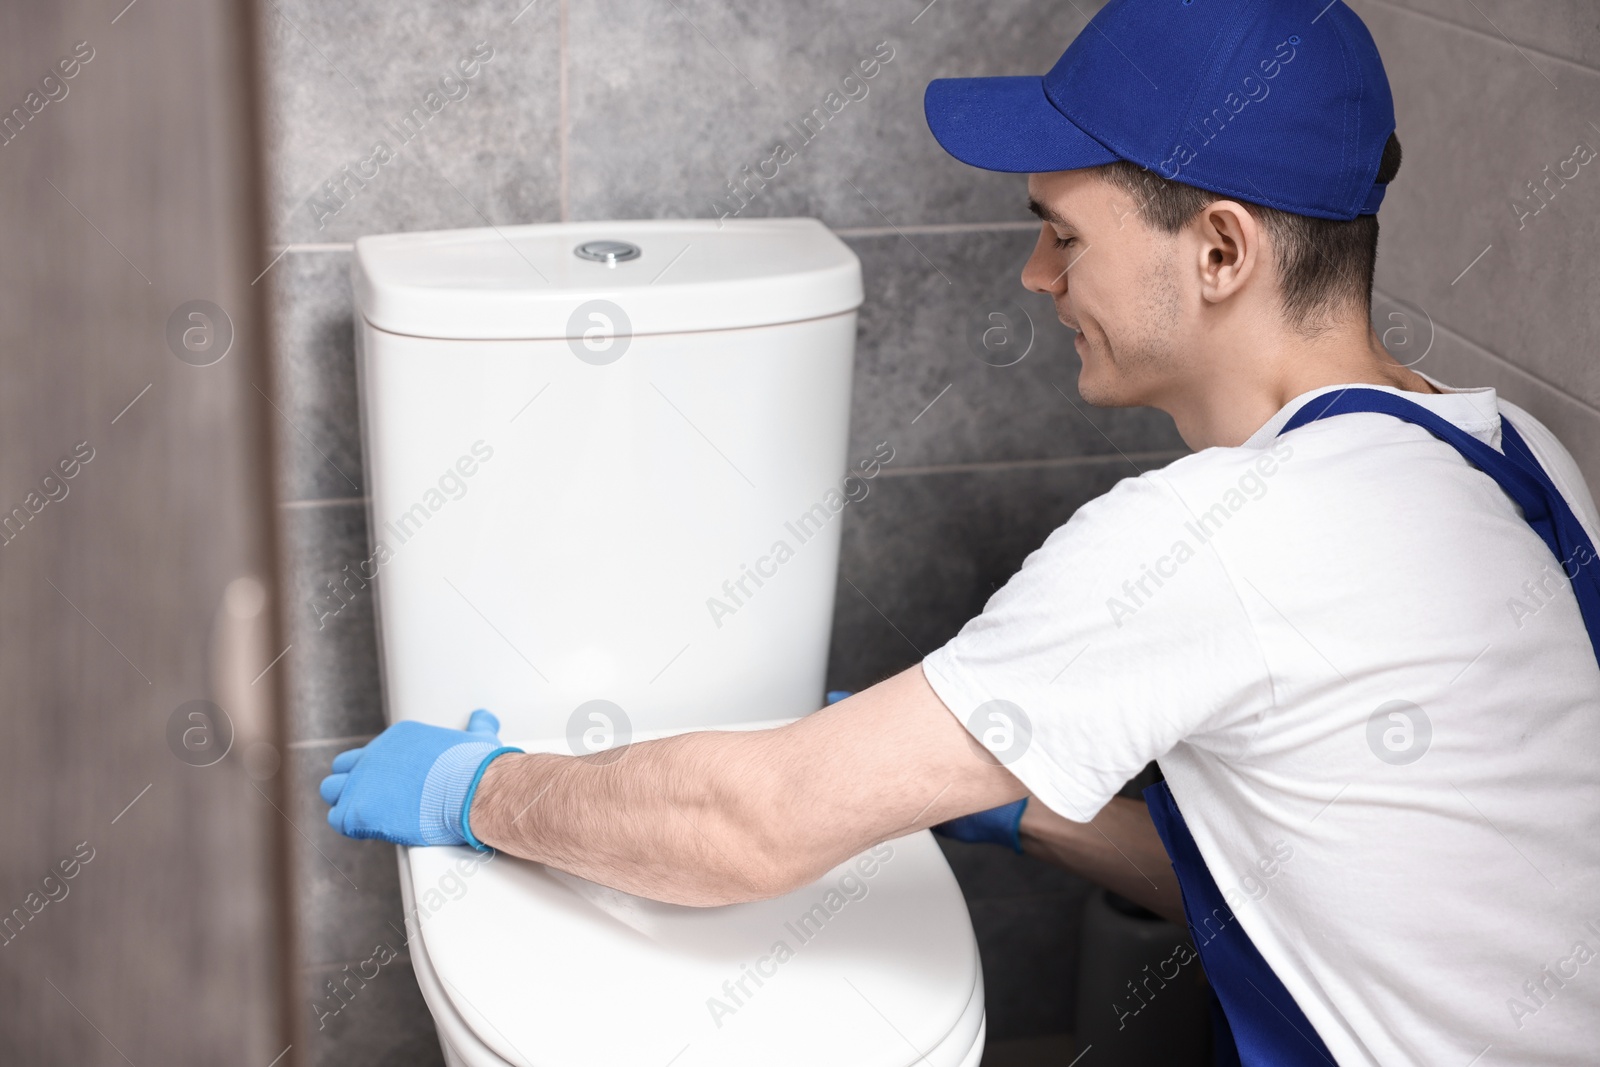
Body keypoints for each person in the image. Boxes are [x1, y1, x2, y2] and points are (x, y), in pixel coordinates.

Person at [320, 0, 1600, 1062]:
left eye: (1061, 237)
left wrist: (475, 789)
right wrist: (1009, 805)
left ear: (1220, 252)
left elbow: (752, 828)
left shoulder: (1221, 536)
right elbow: (1321, 887)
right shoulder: (1509, 455)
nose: (1037, 279)